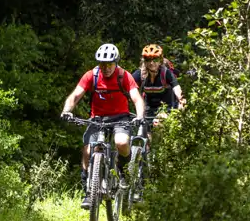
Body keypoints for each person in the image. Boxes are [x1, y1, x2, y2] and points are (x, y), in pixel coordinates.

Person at [60, 43, 145, 209]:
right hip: (97, 119)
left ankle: (123, 172)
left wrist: (140, 116)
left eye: (109, 64)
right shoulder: (91, 75)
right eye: (102, 64)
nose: (106, 68)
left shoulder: (124, 76)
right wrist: (66, 110)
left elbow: (136, 99)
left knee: (121, 142)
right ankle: (88, 191)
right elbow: (75, 96)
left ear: (116, 63)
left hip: (120, 118)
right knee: (87, 150)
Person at [131, 44, 186, 119]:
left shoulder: (165, 73)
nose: (151, 63)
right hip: (148, 110)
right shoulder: (141, 73)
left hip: (166, 109)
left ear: (160, 61)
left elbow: (176, 87)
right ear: (144, 61)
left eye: (155, 59)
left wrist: (181, 100)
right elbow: (128, 85)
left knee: (160, 121)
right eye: (148, 59)